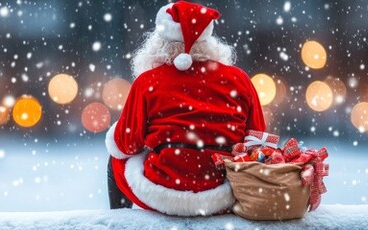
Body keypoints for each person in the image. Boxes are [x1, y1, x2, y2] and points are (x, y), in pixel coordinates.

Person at [105, 1, 266, 216]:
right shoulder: (239, 79)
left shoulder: (147, 82)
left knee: (117, 158)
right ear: (208, 41)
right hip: (224, 191)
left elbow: (126, 144)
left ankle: (117, 222)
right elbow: (258, 138)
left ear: (159, 42)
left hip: (163, 192)